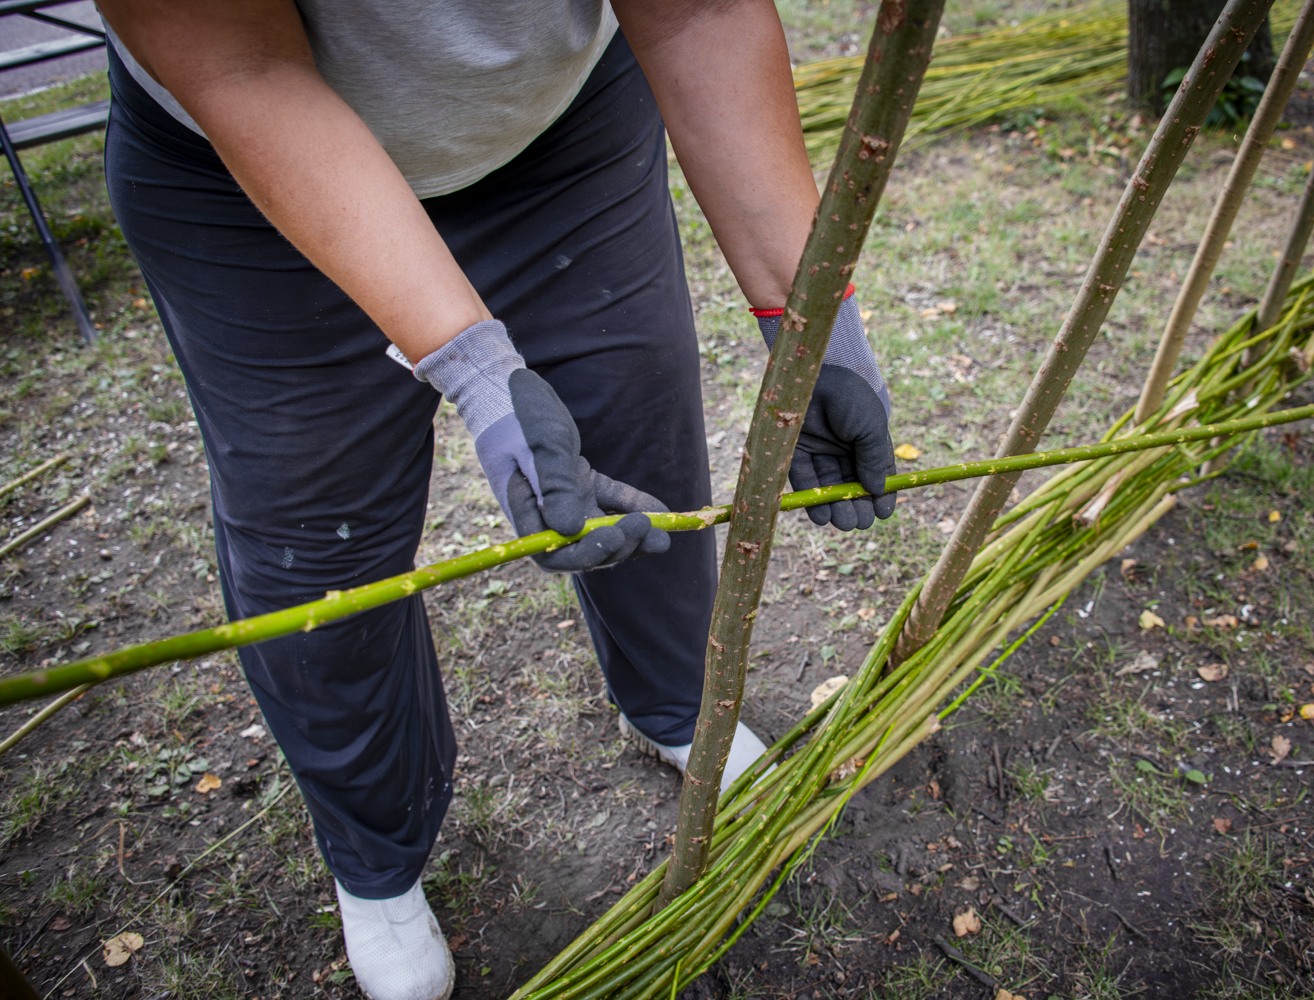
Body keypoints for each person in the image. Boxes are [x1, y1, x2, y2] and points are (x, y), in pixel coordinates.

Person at [94, 2, 896, 998]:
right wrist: (475, 370)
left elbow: (704, 9)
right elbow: (243, 67)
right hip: (247, 169)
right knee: (317, 531)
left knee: (632, 423)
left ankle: (674, 702)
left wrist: (810, 321)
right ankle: (374, 855)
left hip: (554, 133)